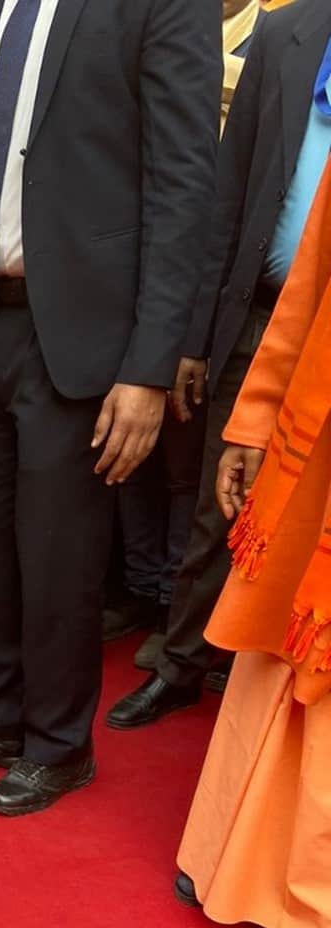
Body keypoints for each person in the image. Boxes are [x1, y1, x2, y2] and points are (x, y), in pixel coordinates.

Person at [0, 0, 221, 817]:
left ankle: (58, 744)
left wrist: (150, 366)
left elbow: (183, 185)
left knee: (58, 553)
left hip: (81, 333)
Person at [108, 0, 331, 730]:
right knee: (218, 504)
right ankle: (182, 663)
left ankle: (280, 668)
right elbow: (226, 194)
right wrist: (194, 340)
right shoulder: (283, 32)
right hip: (261, 320)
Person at [175, 155, 331, 928]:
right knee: (282, 627)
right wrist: (256, 421)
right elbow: (308, 281)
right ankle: (232, 857)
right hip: (321, 430)